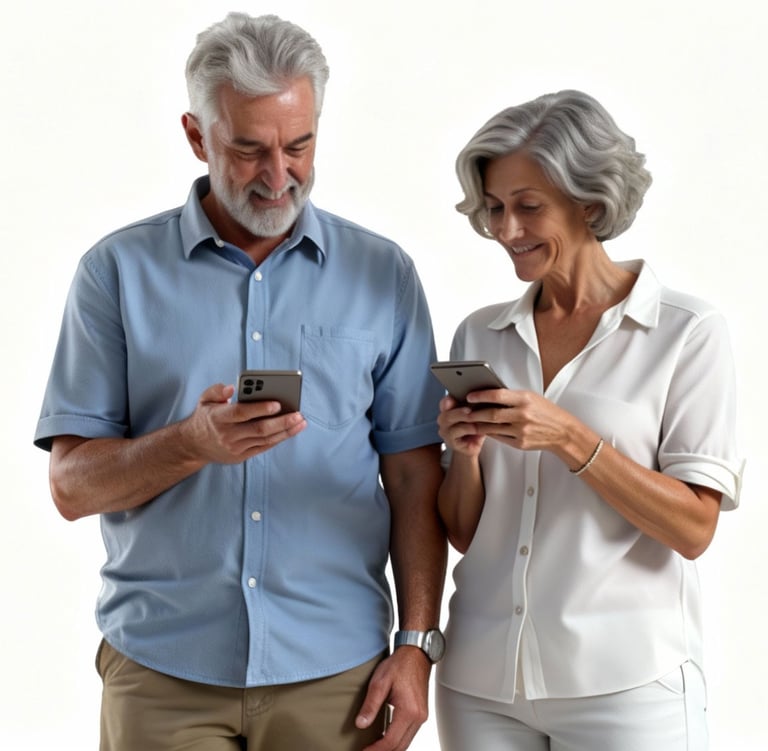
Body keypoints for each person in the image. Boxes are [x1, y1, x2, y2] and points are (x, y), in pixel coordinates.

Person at [34, 12, 447, 751]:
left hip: (337, 673)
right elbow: (72, 487)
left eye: (299, 145)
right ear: (197, 136)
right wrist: (190, 444)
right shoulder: (116, 274)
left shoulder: (384, 274)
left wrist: (417, 641)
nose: (279, 174)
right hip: (163, 671)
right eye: (250, 149)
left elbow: (415, 476)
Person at [434, 90, 743, 750]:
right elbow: (465, 533)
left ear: (591, 203)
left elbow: (694, 528)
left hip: (629, 687)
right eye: (494, 209)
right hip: (482, 683)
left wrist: (571, 436)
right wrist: (463, 455)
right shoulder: (478, 334)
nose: (506, 230)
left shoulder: (686, 334)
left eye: (528, 206)